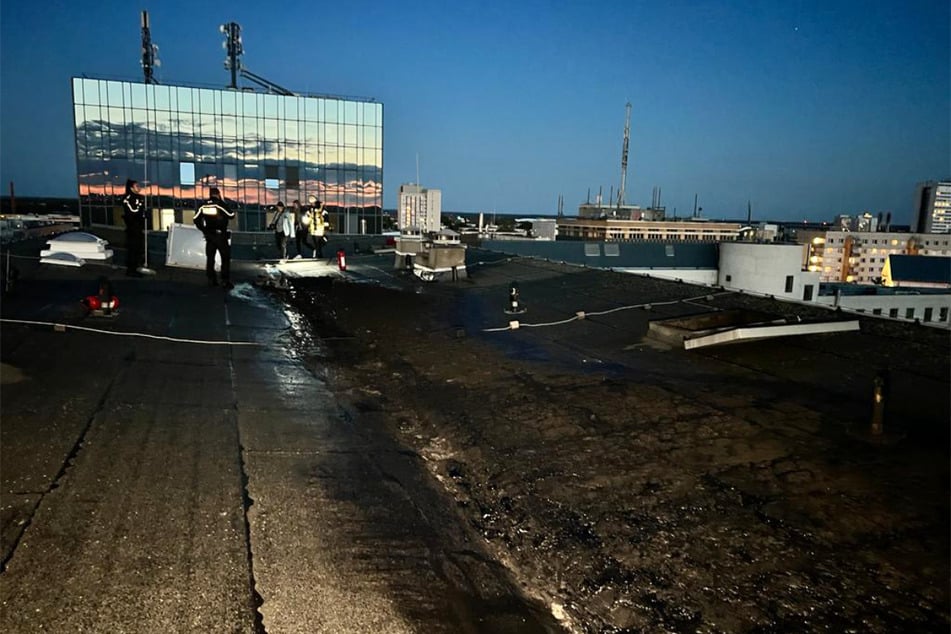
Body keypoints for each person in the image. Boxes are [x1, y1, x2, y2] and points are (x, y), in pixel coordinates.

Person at [193, 187, 236, 289]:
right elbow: (231, 215)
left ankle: (211, 279)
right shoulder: (219, 204)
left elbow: (196, 219)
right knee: (225, 258)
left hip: (209, 236)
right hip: (220, 235)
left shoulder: (203, 205)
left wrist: (204, 230)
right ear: (218, 194)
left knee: (210, 258)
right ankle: (225, 281)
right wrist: (222, 202)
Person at [121, 179, 145, 277]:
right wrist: (140, 207)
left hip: (138, 227)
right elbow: (133, 211)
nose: (139, 188)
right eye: (136, 186)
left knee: (138, 249)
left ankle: (135, 268)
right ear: (131, 188)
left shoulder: (139, 198)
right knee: (133, 249)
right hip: (132, 228)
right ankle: (131, 270)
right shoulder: (128, 198)